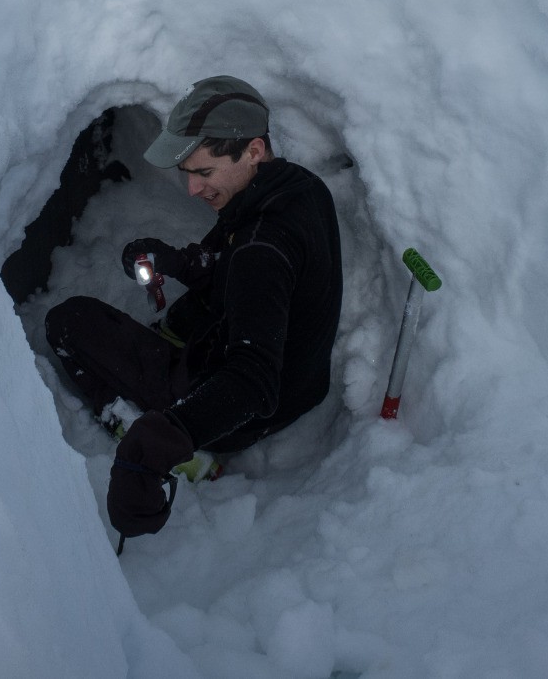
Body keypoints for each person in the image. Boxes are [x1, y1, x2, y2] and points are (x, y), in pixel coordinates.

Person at [45, 75, 343, 543]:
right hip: (299, 380)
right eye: (187, 172)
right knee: (182, 319)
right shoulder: (296, 190)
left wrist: (169, 432)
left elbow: (252, 381)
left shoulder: (258, 252)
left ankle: (140, 427)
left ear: (253, 151)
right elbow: (241, 260)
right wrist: (179, 261)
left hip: (237, 407)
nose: (191, 188)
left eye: (203, 173)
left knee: (68, 322)